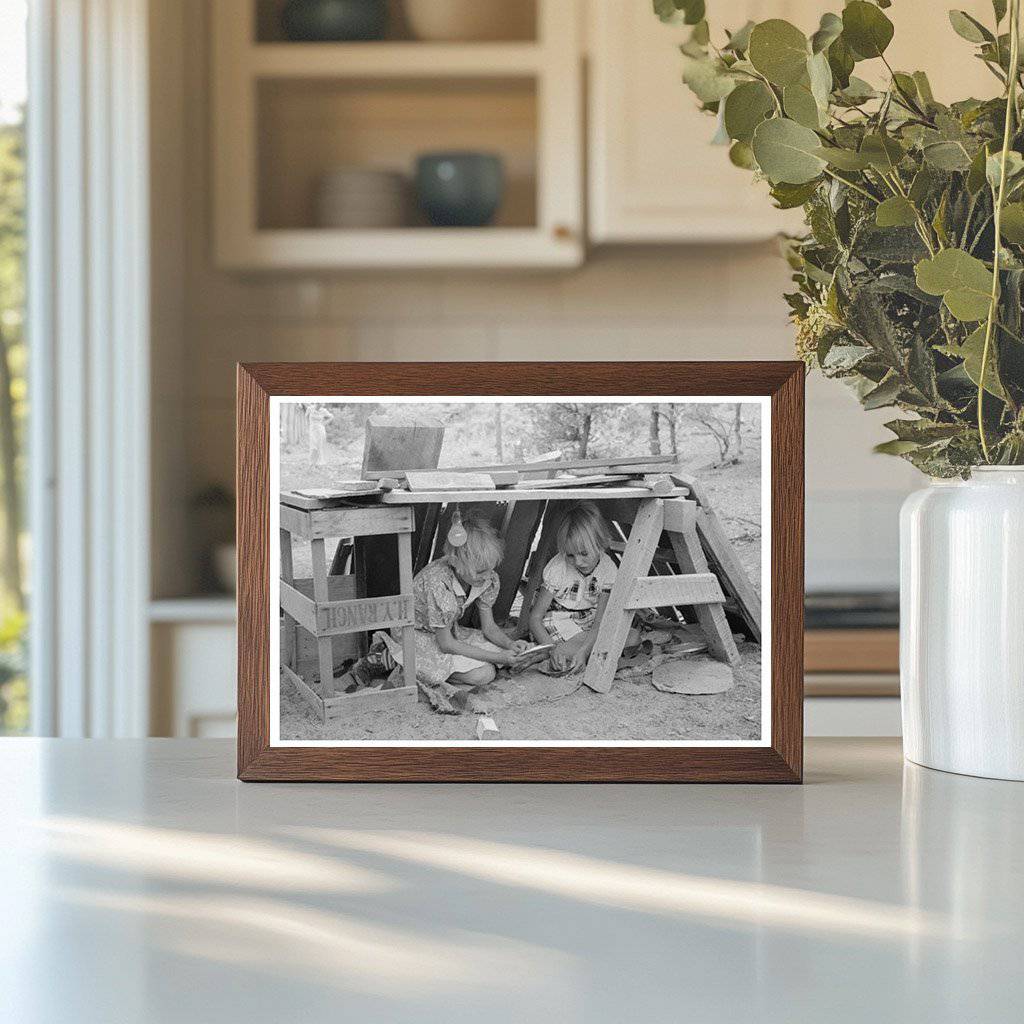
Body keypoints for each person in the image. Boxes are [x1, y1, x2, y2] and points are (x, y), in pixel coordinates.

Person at [351, 512, 531, 712]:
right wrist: (499, 658)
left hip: (446, 631)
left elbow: (489, 628)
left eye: (491, 568)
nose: (488, 576)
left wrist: (510, 644)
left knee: (493, 660)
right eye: (481, 571)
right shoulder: (438, 583)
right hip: (415, 633)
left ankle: (405, 661)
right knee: (484, 673)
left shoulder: (488, 579)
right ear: (455, 562)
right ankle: (391, 657)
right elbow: (446, 645)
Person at [528, 501, 617, 674]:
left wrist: (583, 651)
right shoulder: (558, 568)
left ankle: (562, 652)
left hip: (589, 620)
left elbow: (599, 622)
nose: (578, 562)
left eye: (584, 553)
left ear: (600, 544)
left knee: (632, 637)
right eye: (570, 555)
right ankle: (556, 651)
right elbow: (535, 618)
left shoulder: (608, 570)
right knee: (610, 641)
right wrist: (552, 648)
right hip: (559, 619)